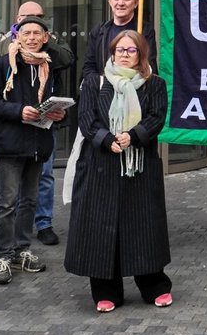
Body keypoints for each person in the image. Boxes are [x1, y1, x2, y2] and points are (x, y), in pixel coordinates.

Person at [65, 30, 172, 312]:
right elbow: (86, 119)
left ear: (141, 55)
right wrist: (107, 139)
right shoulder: (93, 82)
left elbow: (157, 117)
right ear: (112, 53)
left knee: (143, 227)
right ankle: (106, 292)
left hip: (139, 167)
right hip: (100, 166)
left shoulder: (154, 84)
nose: (124, 54)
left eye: (131, 50)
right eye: (120, 50)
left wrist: (133, 136)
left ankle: (154, 286)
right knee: (101, 230)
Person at [0, 16, 67, 285]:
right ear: (16, 36)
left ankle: (21, 250)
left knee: (29, 200)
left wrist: (58, 114)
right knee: (7, 202)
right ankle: (3, 255)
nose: (31, 38)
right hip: (10, 143)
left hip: (38, 143)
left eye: (36, 33)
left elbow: (53, 99)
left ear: (45, 38)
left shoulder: (48, 67)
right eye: (26, 33)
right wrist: (19, 111)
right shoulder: (2, 64)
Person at [0, 0, 75, 248]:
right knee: (9, 193)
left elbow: (67, 60)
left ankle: (42, 225)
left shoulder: (50, 47)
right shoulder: (3, 45)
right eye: (26, 19)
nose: (32, 23)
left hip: (42, 129)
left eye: (38, 18)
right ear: (16, 19)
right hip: (13, 128)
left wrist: (44, 39)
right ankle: (8, 245)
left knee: (44, 177)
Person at [81, 0, 158, 83]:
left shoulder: (144, 31)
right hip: (103, 92)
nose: (120, 3)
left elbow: (149, 66)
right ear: (110, 1)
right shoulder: (99, 31)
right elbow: (88, 67)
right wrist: (100, 85)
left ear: (136, 2)